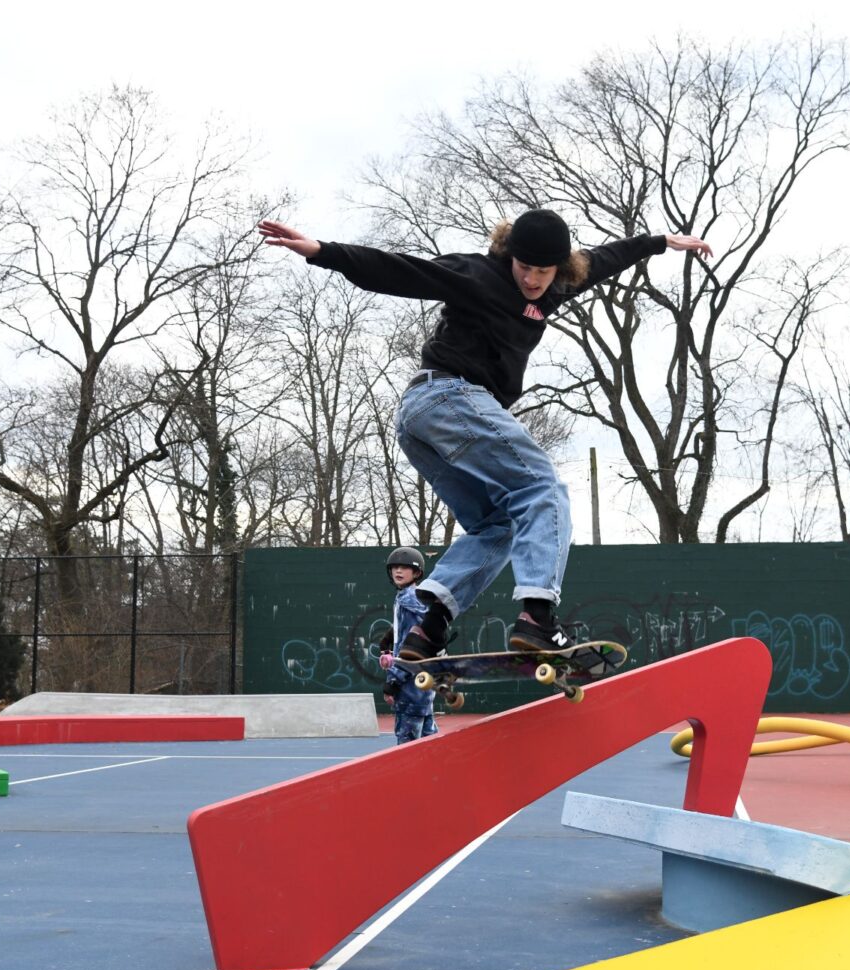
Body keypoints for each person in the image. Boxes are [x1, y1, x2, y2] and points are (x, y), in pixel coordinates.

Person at [259, 210, 712, 663]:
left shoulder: (552, 289)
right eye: (524, 267)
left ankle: (426, 626)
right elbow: (403, 270)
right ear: (509, 255)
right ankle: (537, 618)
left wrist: (658, 242)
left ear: (558, 269)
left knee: (498, 526)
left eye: (542, 271)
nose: (532, 280)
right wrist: (323, 252)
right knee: (541, 488)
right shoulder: (477, 273)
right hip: (448, 397)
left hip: (425, 423)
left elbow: (601, 261)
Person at [376, 546, 438, 744]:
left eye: (404, 567)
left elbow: (412, 647)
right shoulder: (416, 597)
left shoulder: (408, 600)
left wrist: (393, 681)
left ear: (417, 572)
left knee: (408, 750)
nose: (398, 571)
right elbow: (416, 629)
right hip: (424, 688)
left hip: (410, 689)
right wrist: (391, 634)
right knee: (431, 747)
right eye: (394, 567)